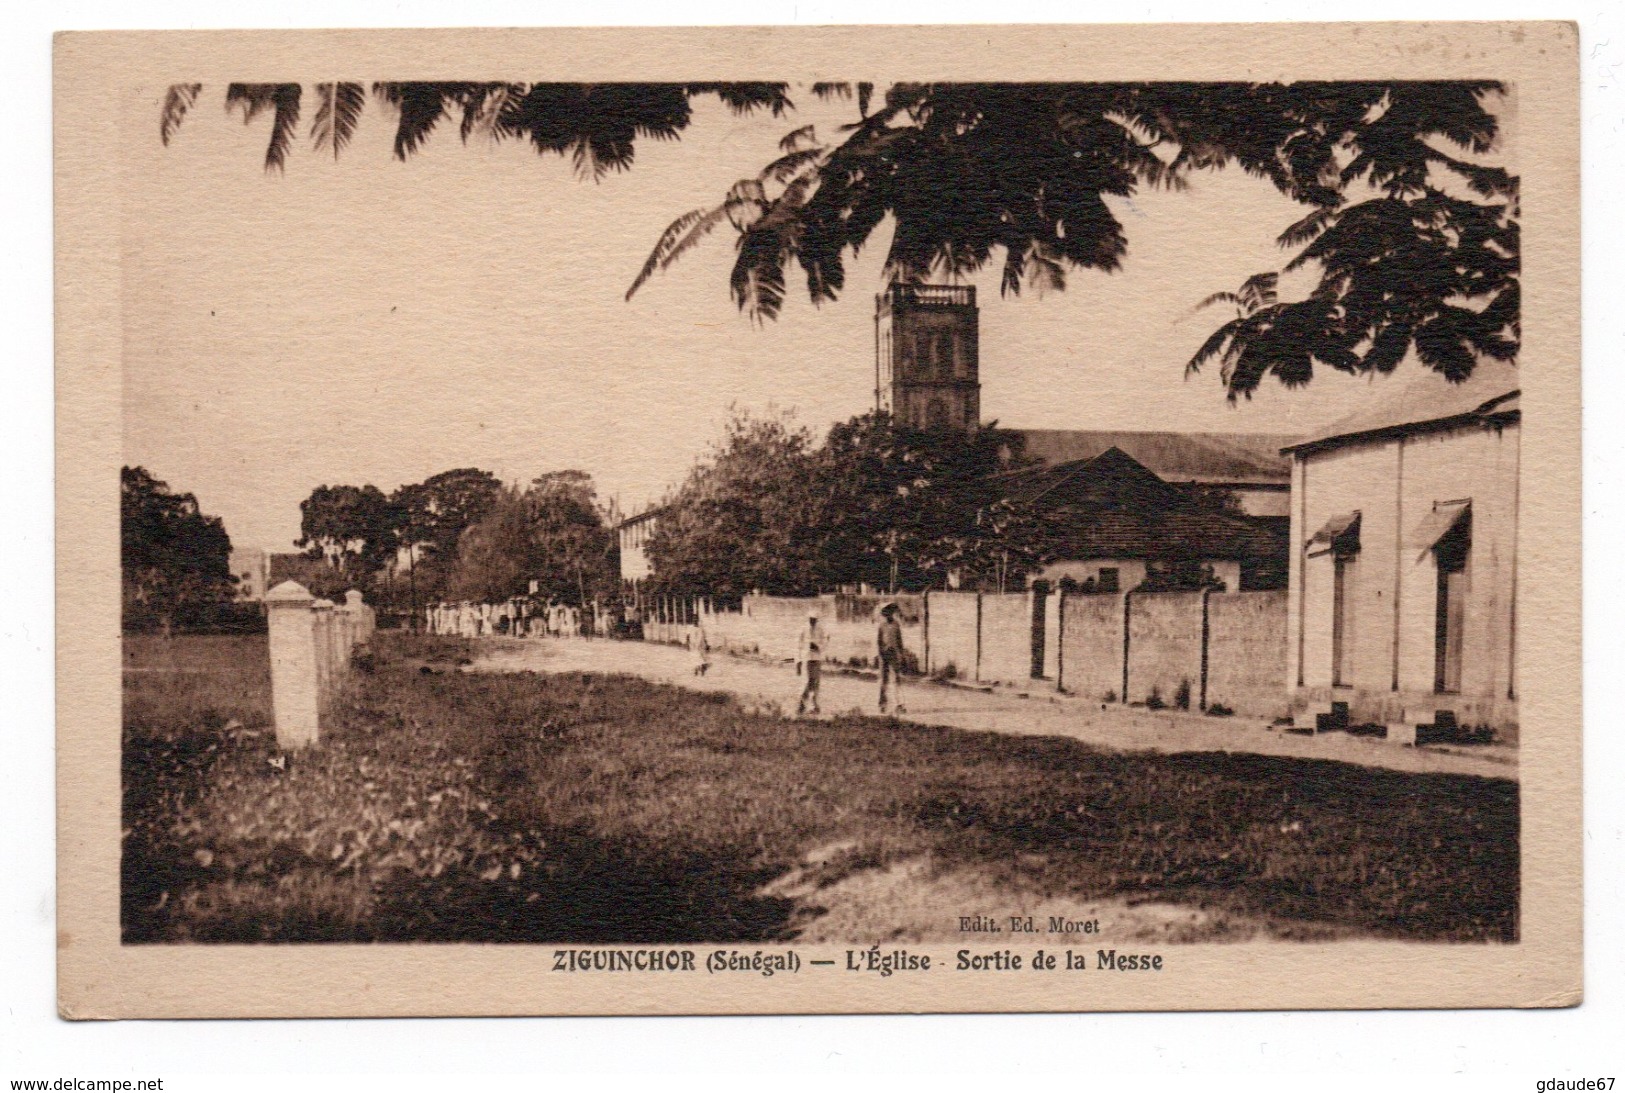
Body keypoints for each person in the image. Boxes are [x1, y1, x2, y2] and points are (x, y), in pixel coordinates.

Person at [877, 601, 907, 714]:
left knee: (897, 679)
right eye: (886, 612)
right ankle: (882, 704)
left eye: (890, 612)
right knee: (884, 680)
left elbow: (899, 641)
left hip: (894, 654)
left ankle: (899, 704)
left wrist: (902, 655)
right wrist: (880, 654)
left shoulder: (896, 625)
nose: (889, 614)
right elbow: (879, 641)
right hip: (884, 654)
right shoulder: (881, 626)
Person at [795, 612, 826, 717]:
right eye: (811, 619)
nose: (812, 621)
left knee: (816, 683)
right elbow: (798, 646)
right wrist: (798, 662)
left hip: (817, 658)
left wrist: (818, 647)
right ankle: (801, 705)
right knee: (807, 682)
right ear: (808, 619)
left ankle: (814, 706)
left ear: (817, 620)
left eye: (814, 619)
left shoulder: (820, 629)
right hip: (807, 659)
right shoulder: (803, 629)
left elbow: (825, 642)